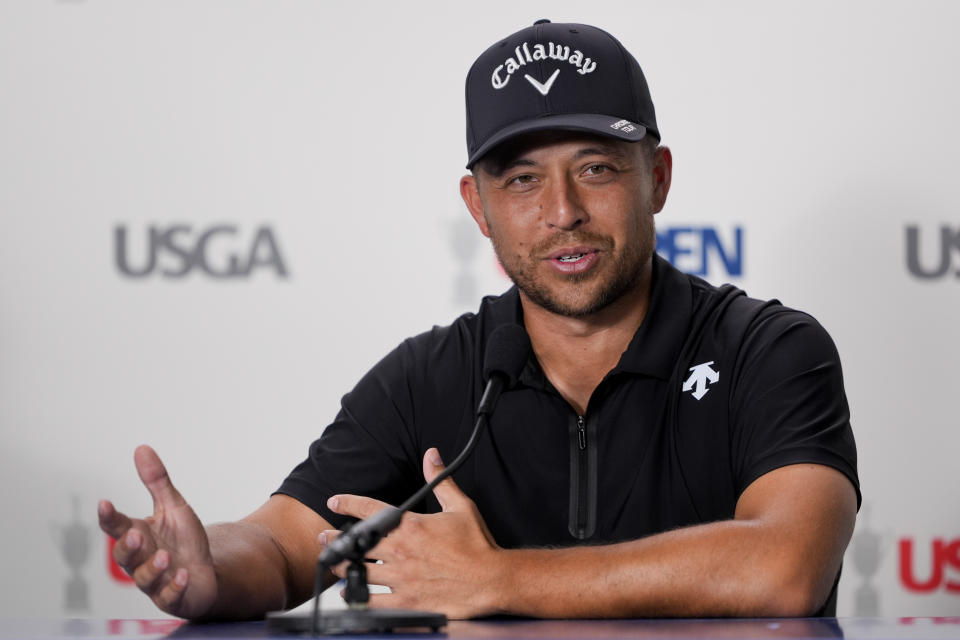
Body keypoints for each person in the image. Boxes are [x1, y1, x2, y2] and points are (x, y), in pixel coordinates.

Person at [98, 20, 859, 621]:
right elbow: (285, 540)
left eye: (595, 168)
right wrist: (211, 568)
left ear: (655, 179)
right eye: (522, 180)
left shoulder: (769, 350)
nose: (562, 212)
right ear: (478, 208)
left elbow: (787, 567)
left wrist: (499, 579)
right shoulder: (431, 376)